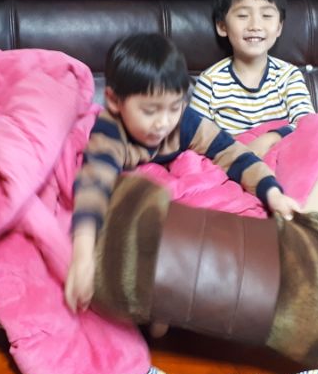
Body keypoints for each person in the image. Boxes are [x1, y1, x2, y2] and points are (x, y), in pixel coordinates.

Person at [64, 32, 302, 313]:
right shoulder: (109, 131)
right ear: (115, 101)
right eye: (150, 111)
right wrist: (82, 255)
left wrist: (272, 193)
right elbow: (94, 185)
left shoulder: (185, 121)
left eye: (174, 107)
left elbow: (233, 153)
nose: (163, 122)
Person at [191, 0, 315, 157]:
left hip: (280, 155)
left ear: (279, 27)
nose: (255, 26)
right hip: (233, 160)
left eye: (266, 16)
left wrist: (269, 138)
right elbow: (195, 136)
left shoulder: (288, 76)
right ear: (222, 26)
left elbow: (307, 123)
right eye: (243, 16)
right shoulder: (210, 81)